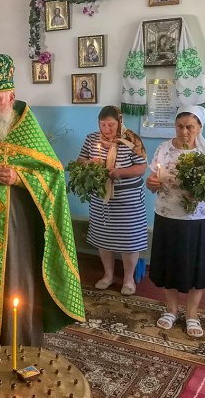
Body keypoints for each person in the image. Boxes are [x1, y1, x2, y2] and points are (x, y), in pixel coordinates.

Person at [0, 54, 84, 355]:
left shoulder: (26, 129)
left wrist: (20, 177)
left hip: (12, 230)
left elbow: (53, 174)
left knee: (13, 285)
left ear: (11, 96)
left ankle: (15, 350)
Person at [145, 105, 205, 338]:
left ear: (200, 128)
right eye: (179, 126)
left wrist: (201, 192)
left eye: (190, 127)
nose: (184, 132)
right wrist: (152, 183)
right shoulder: (163, 148)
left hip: (199, 218)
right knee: (170, 263)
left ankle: (192, 314)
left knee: (197, 265)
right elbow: (152, 180)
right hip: (168, 214)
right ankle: (171, 310)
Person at [77, 106, 148, 296]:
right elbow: (80, 160)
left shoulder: (132, 140)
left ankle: (128, 279)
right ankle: (108, 275)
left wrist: (121, 172)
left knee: (129, 240)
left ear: (120, 122)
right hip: (101, 198)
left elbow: (142, 167)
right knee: (104, 238)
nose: (107, 129)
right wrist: (90, 163)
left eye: (111, 125)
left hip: (128, 200)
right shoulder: (92, 139)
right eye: (103, 125)